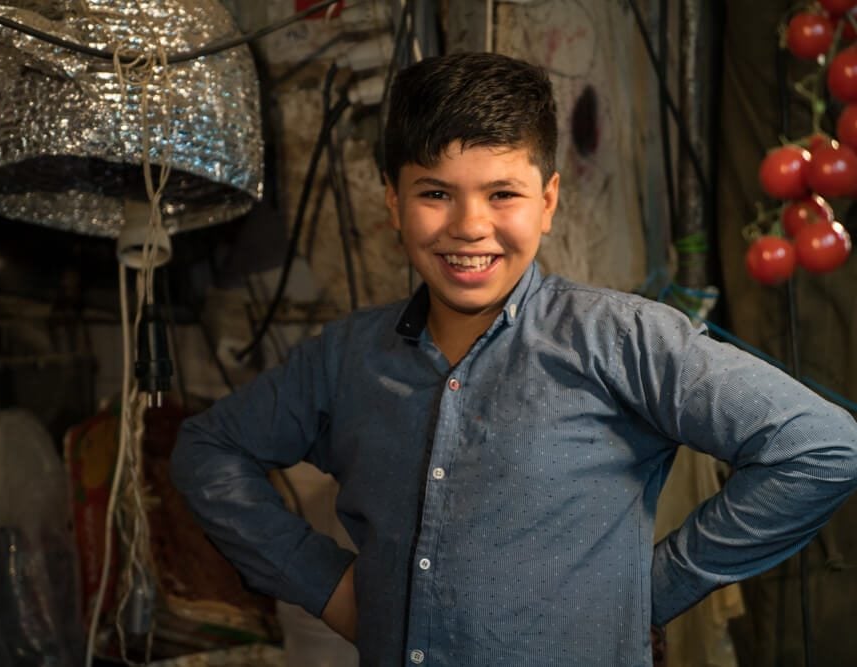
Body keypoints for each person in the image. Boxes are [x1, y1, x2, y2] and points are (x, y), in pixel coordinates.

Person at [170, 52, 857, 666]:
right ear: (393, 202)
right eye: (435, 193)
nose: (470, 226)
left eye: (503, 194)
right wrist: (324, 583)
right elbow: (208, 450)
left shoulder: (621, 339)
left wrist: (649, 591)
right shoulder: (345, 358)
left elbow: (822, 447)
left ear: (548, 201)